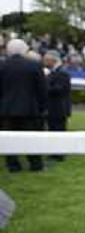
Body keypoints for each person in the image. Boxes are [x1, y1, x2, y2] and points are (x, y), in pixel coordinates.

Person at [0, 38, 47, 172]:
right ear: (24, 50)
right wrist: (42, 108)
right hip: (30, 109)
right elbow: (42, 90)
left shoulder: (2, 66)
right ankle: (36, 165)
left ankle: (13, 165)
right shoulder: (34, 66)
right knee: (31, 139)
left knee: (8, 140)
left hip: (6, 109)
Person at [43, 50, 72, 161]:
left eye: (46, 59)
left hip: (59, 107)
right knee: (53, 130)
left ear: (53, 60)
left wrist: (44, 85)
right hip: (55, 107)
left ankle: (59, 154)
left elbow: (59, 89)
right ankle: (54, 152)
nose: (45, 62)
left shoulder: (62, 72)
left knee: (58, 130)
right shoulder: (56, 71)